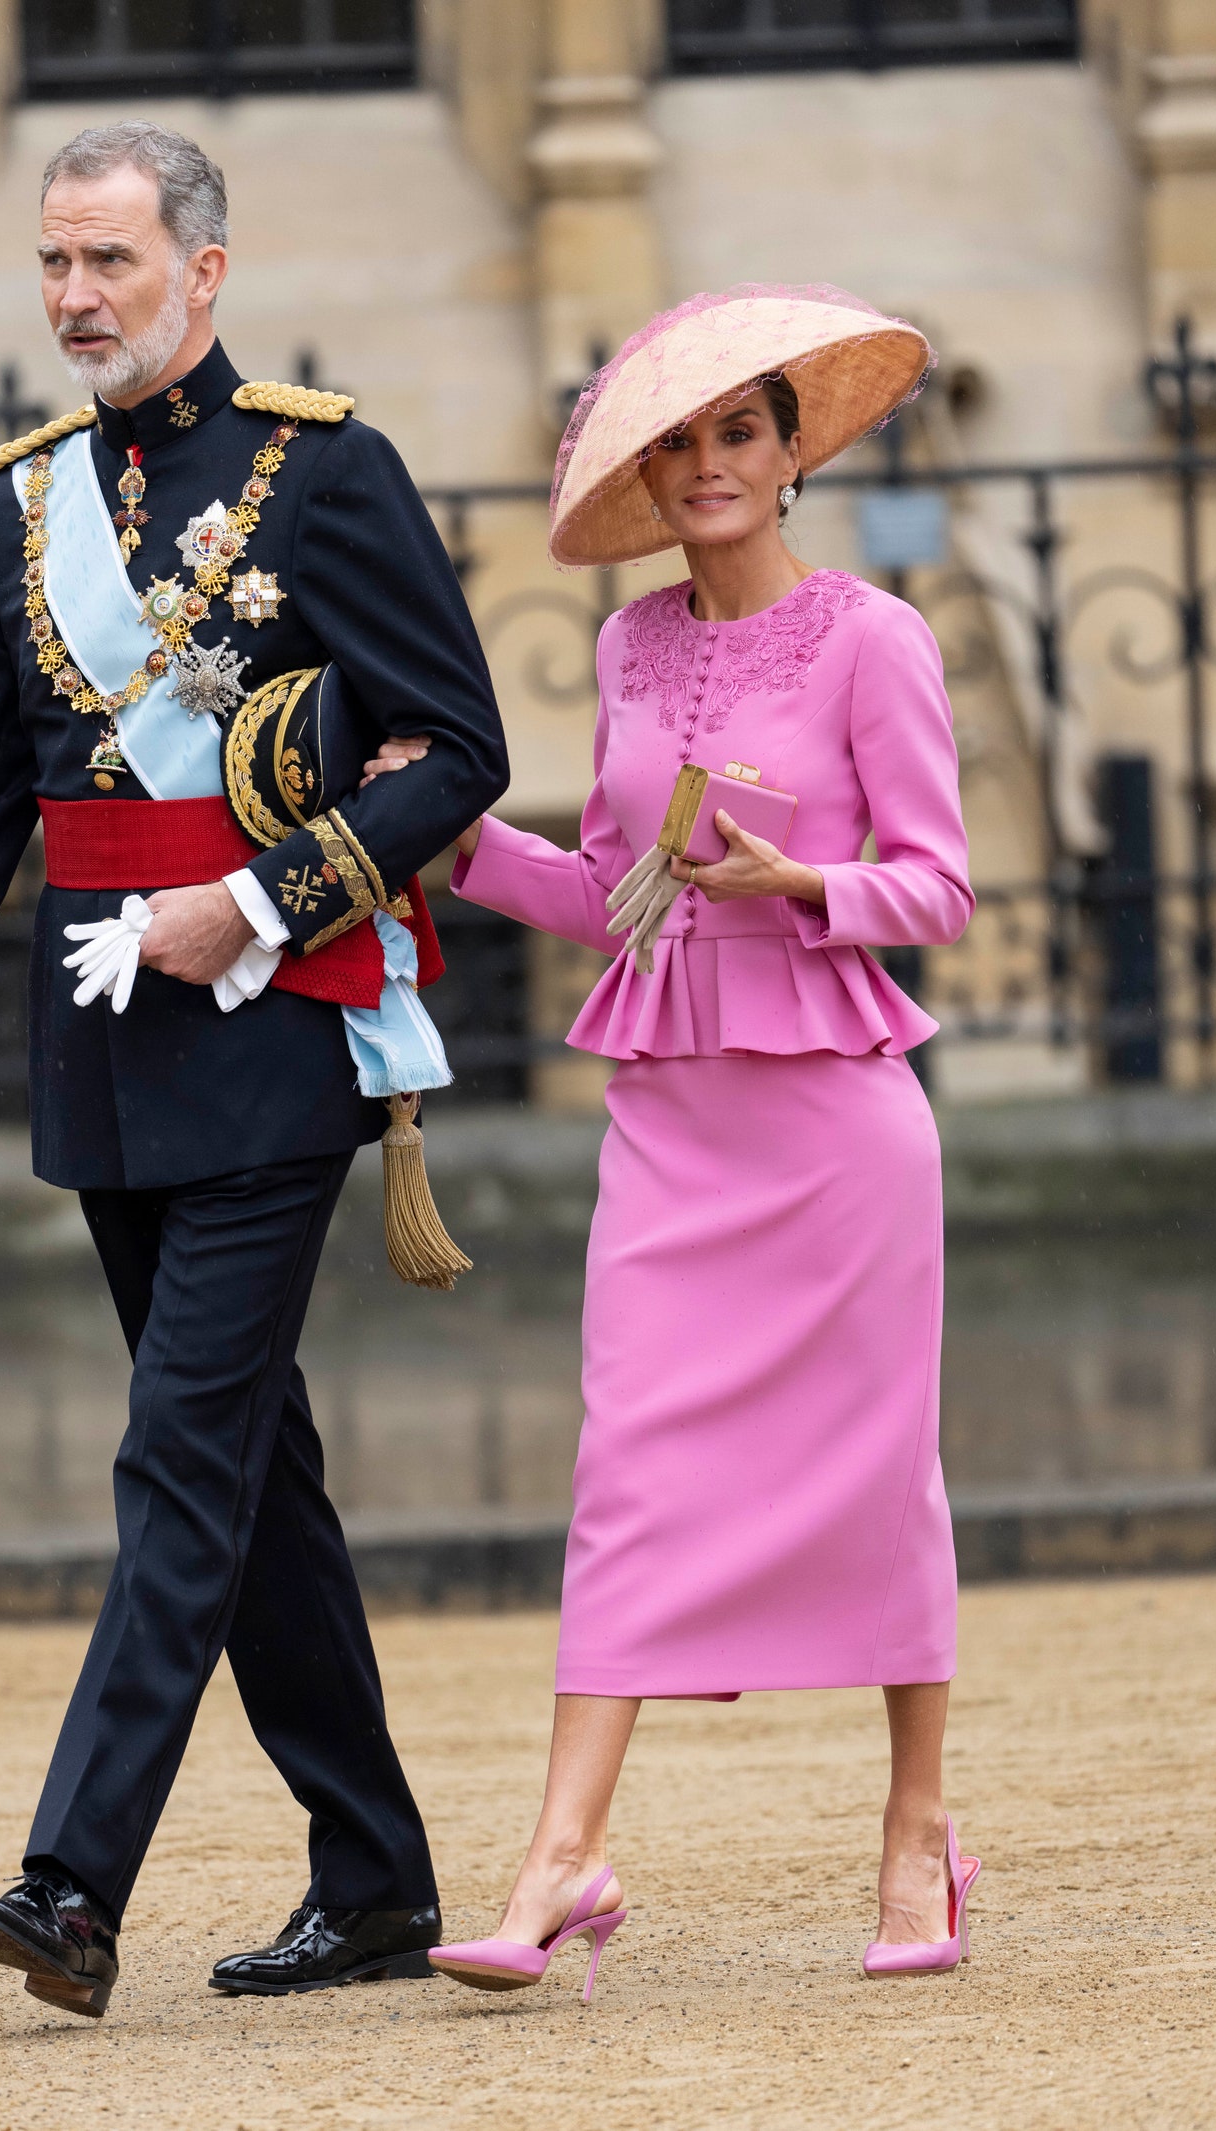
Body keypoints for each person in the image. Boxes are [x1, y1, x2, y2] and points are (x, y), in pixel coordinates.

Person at [0, 119, 507, 2017]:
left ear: (203, 272)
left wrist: (275, 900)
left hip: (276, 1037)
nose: (75, 301)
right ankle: (375, 1877)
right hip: (104, 1051)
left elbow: (455, 744)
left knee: (176, 1458)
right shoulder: (25, 498)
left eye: (109, 265)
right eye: (53, 266)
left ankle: (73, 1881)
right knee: (249, 1474)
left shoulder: (331, 473)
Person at [399, 285, 978, 1994]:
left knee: (884, 1478)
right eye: (681, 442)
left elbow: (940, 886)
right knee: (628, 1468)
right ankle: (562, 1860)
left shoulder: (879, 638)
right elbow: (614, 896)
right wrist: (443, 838)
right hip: (671, 1119)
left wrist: (802, 881)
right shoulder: (627, 647)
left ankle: (916, 1841)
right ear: (650, 478)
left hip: (839, 1122)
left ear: (794, 453)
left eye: (741, 432)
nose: (711, 463)